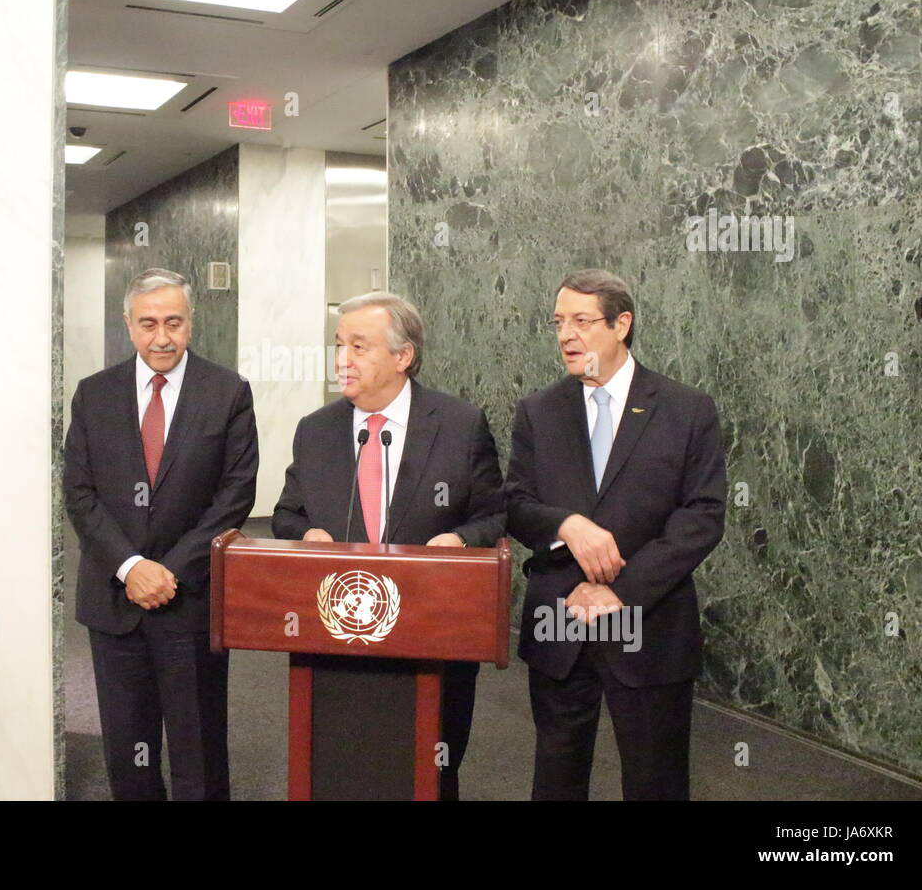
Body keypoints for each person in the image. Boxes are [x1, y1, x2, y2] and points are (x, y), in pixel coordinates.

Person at [504, 268, 726, 800]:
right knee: (556, 777)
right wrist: (566, 525)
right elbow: (513, 503)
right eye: (559, 322)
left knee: (656, 779)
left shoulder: (686, 409)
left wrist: (619, 592)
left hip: (651, 623)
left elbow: (701, 517)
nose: (565, 335)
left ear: (621, 323)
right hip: (559, 620)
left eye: (582, 321)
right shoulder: (539, 411)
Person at [272, 291, 504, 800]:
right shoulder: (317, 431)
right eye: (339, 345)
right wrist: (307, 535)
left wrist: (461, 539)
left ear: (403, 357)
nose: (342, 360)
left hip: (433, 630)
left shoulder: (460, 425)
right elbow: (289, 514)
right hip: (337, 631)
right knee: (342, 760)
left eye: (359, 346)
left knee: (429, 766)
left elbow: (494, 513)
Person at [63, 267, 257, 800]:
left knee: (199, 750)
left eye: (174, 322)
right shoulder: (94, 395)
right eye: (148, 324)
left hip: (189, 599)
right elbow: (80, 494)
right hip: (114, 602)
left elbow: (235, 497)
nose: (162, 337)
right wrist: (131, 568)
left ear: (191, 323)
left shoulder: (227, 393)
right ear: (128, 325)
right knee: (129, 751)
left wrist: (168, 571)